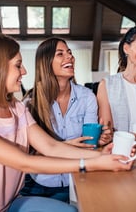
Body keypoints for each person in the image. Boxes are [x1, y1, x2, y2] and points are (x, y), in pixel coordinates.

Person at [0, 33, 133, 212]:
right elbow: (25, 163)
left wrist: (103, 156)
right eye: (18, 65)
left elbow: (51, 146)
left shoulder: (16, 108)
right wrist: (93, 163)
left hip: (7, 205)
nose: (24, 71)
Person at [20, 37, 112, 203]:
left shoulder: (87, 97)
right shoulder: (30, 103)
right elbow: (27, 153)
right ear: (46, 62)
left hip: (75, 180)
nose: (69, 57)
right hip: (37, 184)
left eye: (69, 53)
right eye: (60, 54)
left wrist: (101, 139)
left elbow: (89, 144)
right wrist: (66, 145)